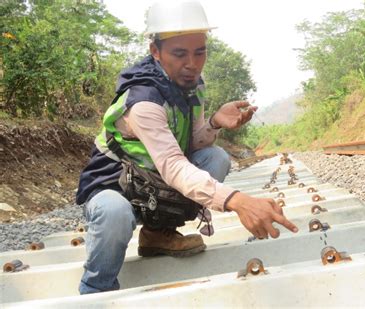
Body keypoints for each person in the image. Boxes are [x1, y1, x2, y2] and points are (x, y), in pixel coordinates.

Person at [75, 0, 298, 294]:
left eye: (200, 52)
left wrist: (215, 124)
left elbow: (189, 144)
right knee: (114, 213)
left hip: (153, 182)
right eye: (179, 54)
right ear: (156, 51)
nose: (192, 63)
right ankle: (96, 289)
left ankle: (157, 234)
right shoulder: (144, 100)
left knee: (215, 158)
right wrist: (238, 201)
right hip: (117, 184)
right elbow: (175, 166)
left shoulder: (192, 86)